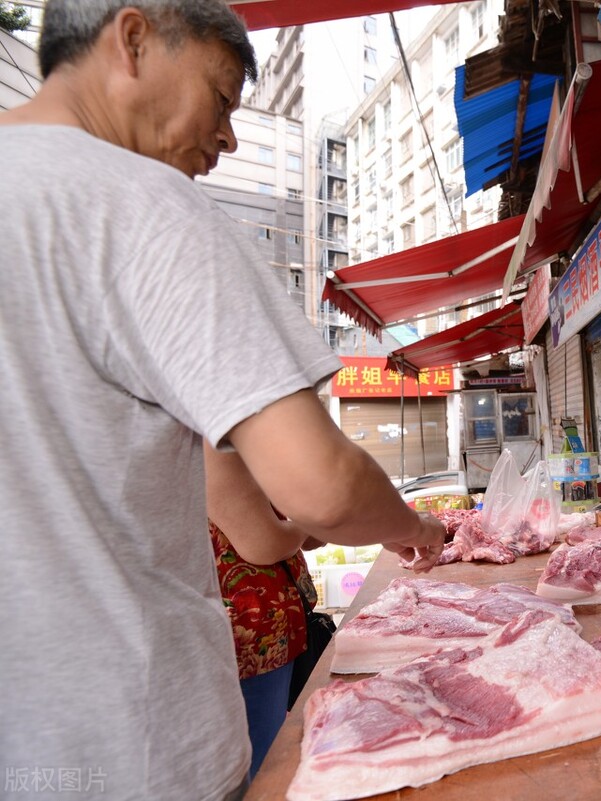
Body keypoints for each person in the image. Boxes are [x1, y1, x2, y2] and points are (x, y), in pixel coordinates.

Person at [0, 3, 444, 800]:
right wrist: (414, 529)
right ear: (132, 40)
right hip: (133, 751)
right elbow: (323, 486)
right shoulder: (141, 205)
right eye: (223, 97)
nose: (227, 136)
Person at [206, 443, 323, 781]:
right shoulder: (208, 442)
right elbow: (263, 541)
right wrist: (302, 525)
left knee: (266, 747)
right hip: (248, 635)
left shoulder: (237, 445)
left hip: (265, 632)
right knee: (258, 765)